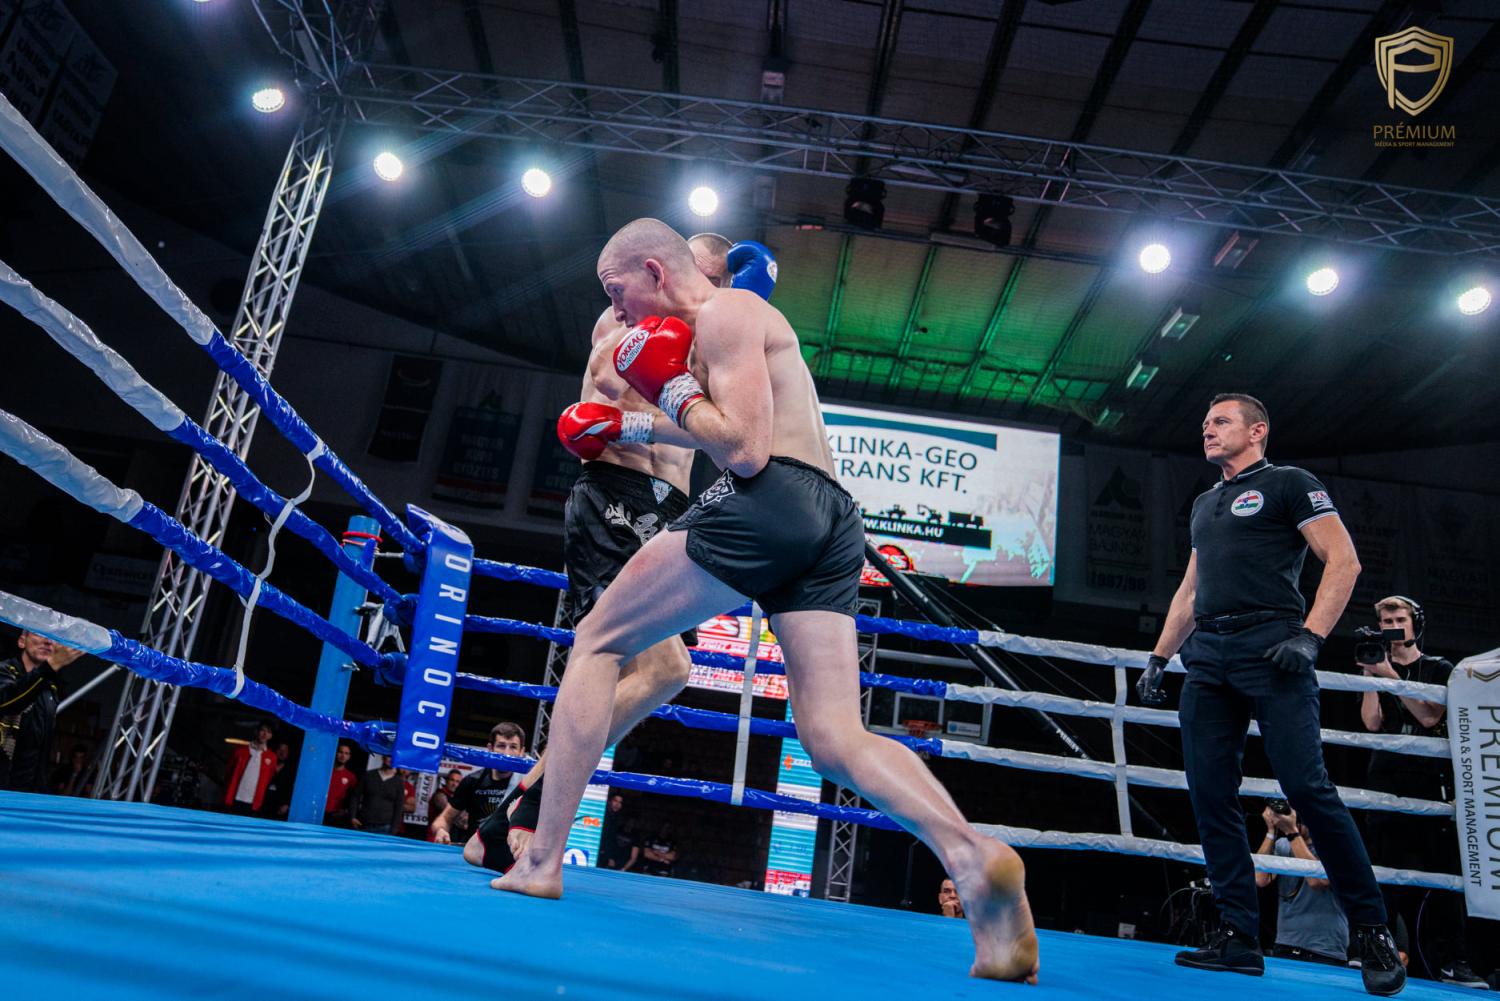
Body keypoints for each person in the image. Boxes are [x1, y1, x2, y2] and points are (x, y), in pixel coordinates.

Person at [494, 218, 1038, 984]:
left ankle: (542, 857)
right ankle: (972, 855)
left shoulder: (726, 311)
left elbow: (745, 451)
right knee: (834, 738)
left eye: (618, 291)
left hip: (770, 497)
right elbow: (715, 429)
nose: (616, 310)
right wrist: (633, 417)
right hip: (830, 519)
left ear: (654, 271)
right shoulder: (722, 328)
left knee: (597, 641)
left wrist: (669, 387)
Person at [504, 233, 779, 853]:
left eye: (710, 285)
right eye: (688, 279)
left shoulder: (717, 337)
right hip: (614, 493)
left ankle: (517, 813)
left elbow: (724, 436)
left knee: (660, 671)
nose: (694, 294)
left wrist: (658, 403)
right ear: (667, 273)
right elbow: (609, 374)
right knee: (658, 666)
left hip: (671, 507)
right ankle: (529, 814)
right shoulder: (625, 314)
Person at [1137, 393, 1403, 994]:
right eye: (1204, 423)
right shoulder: (1205, 503)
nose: (1207, 430)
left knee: (1307, 788)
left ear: (1257, 431)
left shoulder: (1289, 483)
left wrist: (1312, 636)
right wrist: (1159, 657)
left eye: (1221, 421)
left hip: (1273, 644)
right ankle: (1237, 935)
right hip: (1209, 653)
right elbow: (1190, 590)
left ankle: (1371, 930)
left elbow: (1344, 561)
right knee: (1210, 794)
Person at [1358, 596, 1484, 989]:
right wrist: (1372, 676)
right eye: (1386, 621)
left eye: (1399, 618)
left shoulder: (1438, 668)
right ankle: (1373, 951)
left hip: (1428, 778)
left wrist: (1390, 676)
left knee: (1442, 875)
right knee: (1383, 871)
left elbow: (1430, 716)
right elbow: (1372, 723)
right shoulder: (1377, 662)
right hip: (1386, 776)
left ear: (1416, 623)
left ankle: (1453, 961)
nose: (1393, 626)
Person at [1253, 803, 1348, 965]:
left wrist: (1292, 832)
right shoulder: (1283, 844)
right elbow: (1260, 879)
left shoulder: (1334, 846)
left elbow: (1317, 882)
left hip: (1324, 947)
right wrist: (1271, 832)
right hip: (1286, 942)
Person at [431, 722, 528, 865]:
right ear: (490, 748)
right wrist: (440, 830)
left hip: (513, 861)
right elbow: (444, 819)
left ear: (521, 752)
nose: (507, 753)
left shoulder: (527, 785)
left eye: (513, 747)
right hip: (475, 857)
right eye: (501, 746)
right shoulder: (472, 781)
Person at [1, 630, 86, 792]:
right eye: (39, 634)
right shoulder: (5, 671)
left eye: (52, 638)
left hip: (29, 788)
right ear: (22, 641)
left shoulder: (50, 688)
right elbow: (9, 703)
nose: (47, 641)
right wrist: (52, 665)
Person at [223, 721, 278, 816]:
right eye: (263, 730)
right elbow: (229, 771)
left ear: (271, 736)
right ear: (256, 732)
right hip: (235, 798)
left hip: (253, 803)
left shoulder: (272, 757)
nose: (265, 734)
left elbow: (268, 778)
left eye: (268, 732)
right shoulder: (240, 751)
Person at [348, 754, 405, 835]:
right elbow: (355, 796)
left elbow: (399, 806)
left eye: (394, 757)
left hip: (385, 827)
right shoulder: (368, 775)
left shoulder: (399, 782)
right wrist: (352, 816)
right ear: (383, 757)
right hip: (363, 824)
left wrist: (394, 828)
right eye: (389, 756)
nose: (391, 759)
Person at [597, 792, 639, 872]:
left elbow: (611, 839)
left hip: (605, 855)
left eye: (620, 802)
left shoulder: (617, 819)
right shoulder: (601, 814)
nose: (617, 804)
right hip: (596, 850)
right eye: (615, 801)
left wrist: (609, 857)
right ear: (609, 801)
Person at [259, 740, 295, 820]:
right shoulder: (266, 764)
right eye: (280, 750)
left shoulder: (292, 769)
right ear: (275, 750)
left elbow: (292, 788)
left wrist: (287, 804)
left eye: (285, 751)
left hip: (279, 807)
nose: (282, 753)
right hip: (262, 804)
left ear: (288, 753)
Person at [324, 741, 357, 827]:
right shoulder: (324, 771)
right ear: (336, 753)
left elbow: (353, 797)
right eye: (341, 752)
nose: (343, 756)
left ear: (349, 757)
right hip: (317, 811)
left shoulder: (351, 777)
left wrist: (345, 811)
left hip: (335, 816)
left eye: (346, 753)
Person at [427, 769, 464, 842]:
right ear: (446, 781)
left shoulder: (457, 797)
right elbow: (453, 813)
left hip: (449, 837)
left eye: (457, 781)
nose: (454, 784)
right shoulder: (439, 795)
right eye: (452, 780)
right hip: (435, 836)